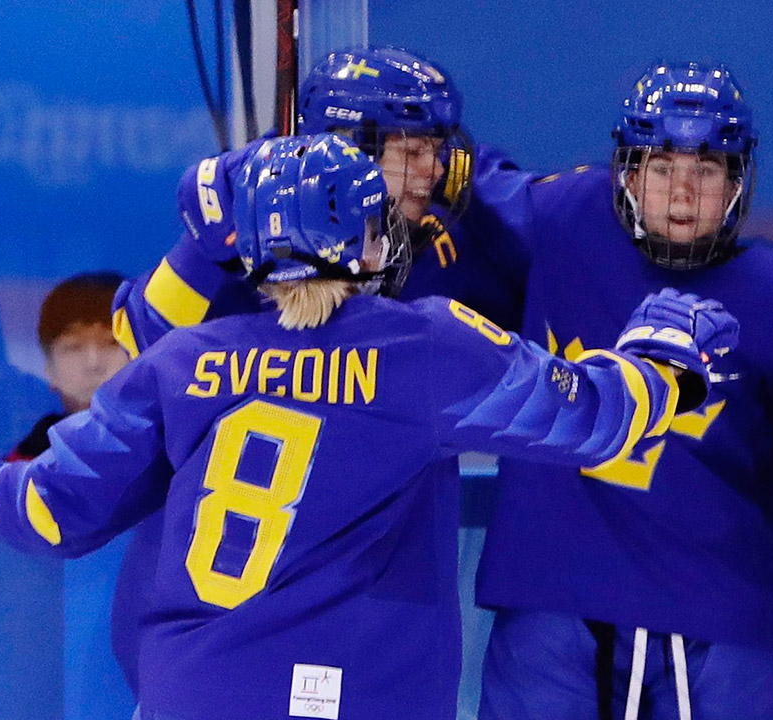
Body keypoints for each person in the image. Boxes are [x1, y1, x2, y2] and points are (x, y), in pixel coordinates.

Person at [0, 133, 736, 720]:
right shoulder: (423, 346)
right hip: (367, 697)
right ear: (370, 239)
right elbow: (593, 419)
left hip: (194, 693)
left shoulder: (183, 358)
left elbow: (50, 509)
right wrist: (666, 368)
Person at [106, 46, 531, 697]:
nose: (430, 172)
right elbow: (141, 341)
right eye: (408, 150)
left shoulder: (451, 244)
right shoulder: (253, 244)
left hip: (382, 626)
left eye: (433, 149)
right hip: (222, 626)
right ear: (345, 147)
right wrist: (199, 248)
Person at [471, 61, 773, 720]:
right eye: (662, 170)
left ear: (739, 182)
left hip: (717, 618)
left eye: (707, 172)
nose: (683, 195)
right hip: (554, 604)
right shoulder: (564, 218)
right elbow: (450, 181)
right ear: (628, 174)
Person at [7, 271, 128, 460]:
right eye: (73, 348)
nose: (93, 363)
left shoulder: (178, 454)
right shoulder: (18, 476)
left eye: (112, 343)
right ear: (49, 370)